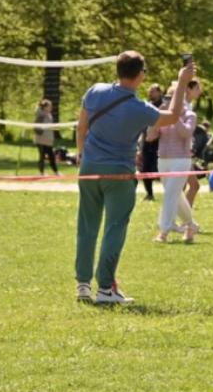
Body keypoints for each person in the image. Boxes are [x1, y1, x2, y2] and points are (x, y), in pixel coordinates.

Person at [75, 51, 195, 304]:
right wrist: (182, 83)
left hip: (89, 168)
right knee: (115, 228)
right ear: (140, 75)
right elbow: (173, 116)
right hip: (119, 172)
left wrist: (81, 153)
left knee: (87, 226)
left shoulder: (94, 91)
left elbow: (82, 125)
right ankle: (105, 289)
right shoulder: (138, 108)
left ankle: (83, 285)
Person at [147, 79, 201, 243]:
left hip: (181, 159)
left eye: (172, 98)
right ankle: (191, 225)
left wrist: (174, 117)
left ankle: (163, 231)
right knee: (176, 195)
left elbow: (186, 133)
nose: (168, 101)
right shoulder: (163, 115)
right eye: (167, 98)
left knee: (170, 194)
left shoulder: (190, 115)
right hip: (163, 159)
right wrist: (156, 120)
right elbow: (150, 136)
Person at [138, 84, 164, 200]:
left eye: (153, 91)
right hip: (147, 141)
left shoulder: (164, 106)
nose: (150, 93)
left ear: (159, 92)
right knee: (146, 168)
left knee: (159, 167)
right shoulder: (146, 106)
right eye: (150, 91)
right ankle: (149, 193)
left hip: (160, 142)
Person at [33, 99, 59, 175]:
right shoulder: (41, 115)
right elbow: (36, 127)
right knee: (42, 156)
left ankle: (56, 172)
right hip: (41, 140)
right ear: (45, 107)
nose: (51, 107)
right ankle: (41, 173)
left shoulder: (49, 115)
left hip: (48, 140)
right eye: (49, 106)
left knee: (51, 156)